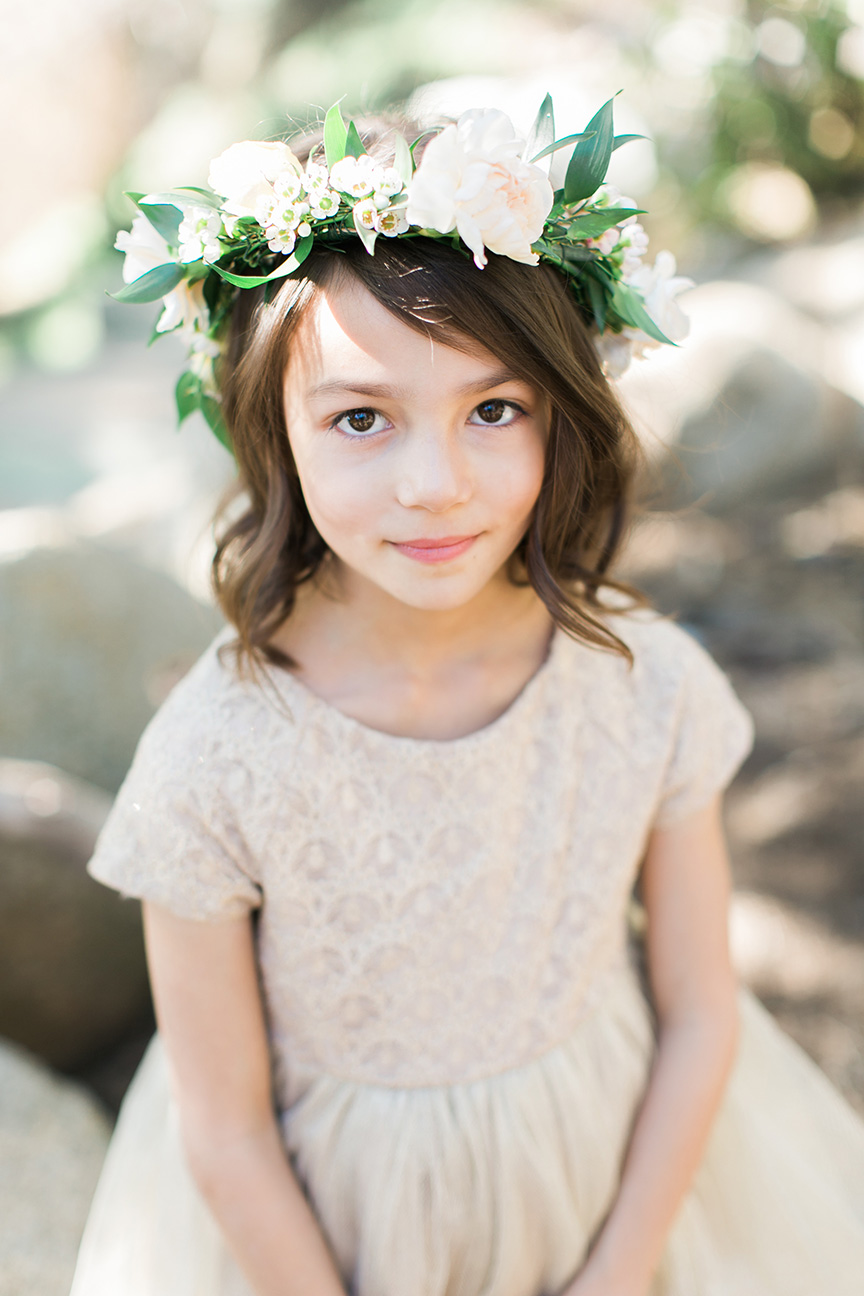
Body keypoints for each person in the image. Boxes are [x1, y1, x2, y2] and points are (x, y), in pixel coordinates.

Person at [71, 99, 864, 1296]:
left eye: (492, 409)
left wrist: (618, 1271)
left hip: (619, 1196)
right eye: (360, 419)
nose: (434, 485)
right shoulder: (216, 759)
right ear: (273, 436)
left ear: (564, 415)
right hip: (330, 1243)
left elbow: (705, 1013)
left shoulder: (640, 684)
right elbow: (221, 1129)